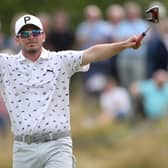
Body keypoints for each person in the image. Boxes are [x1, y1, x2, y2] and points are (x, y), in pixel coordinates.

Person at [0, 14, 140, 168]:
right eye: (25, 34)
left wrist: (125, 44)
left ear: (44, 36)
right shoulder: (6, 64)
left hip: (57, 145)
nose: (31, 37)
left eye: (35, 32)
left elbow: (92, 53)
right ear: (17, 39)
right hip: (24, 148)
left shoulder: (60, 60)